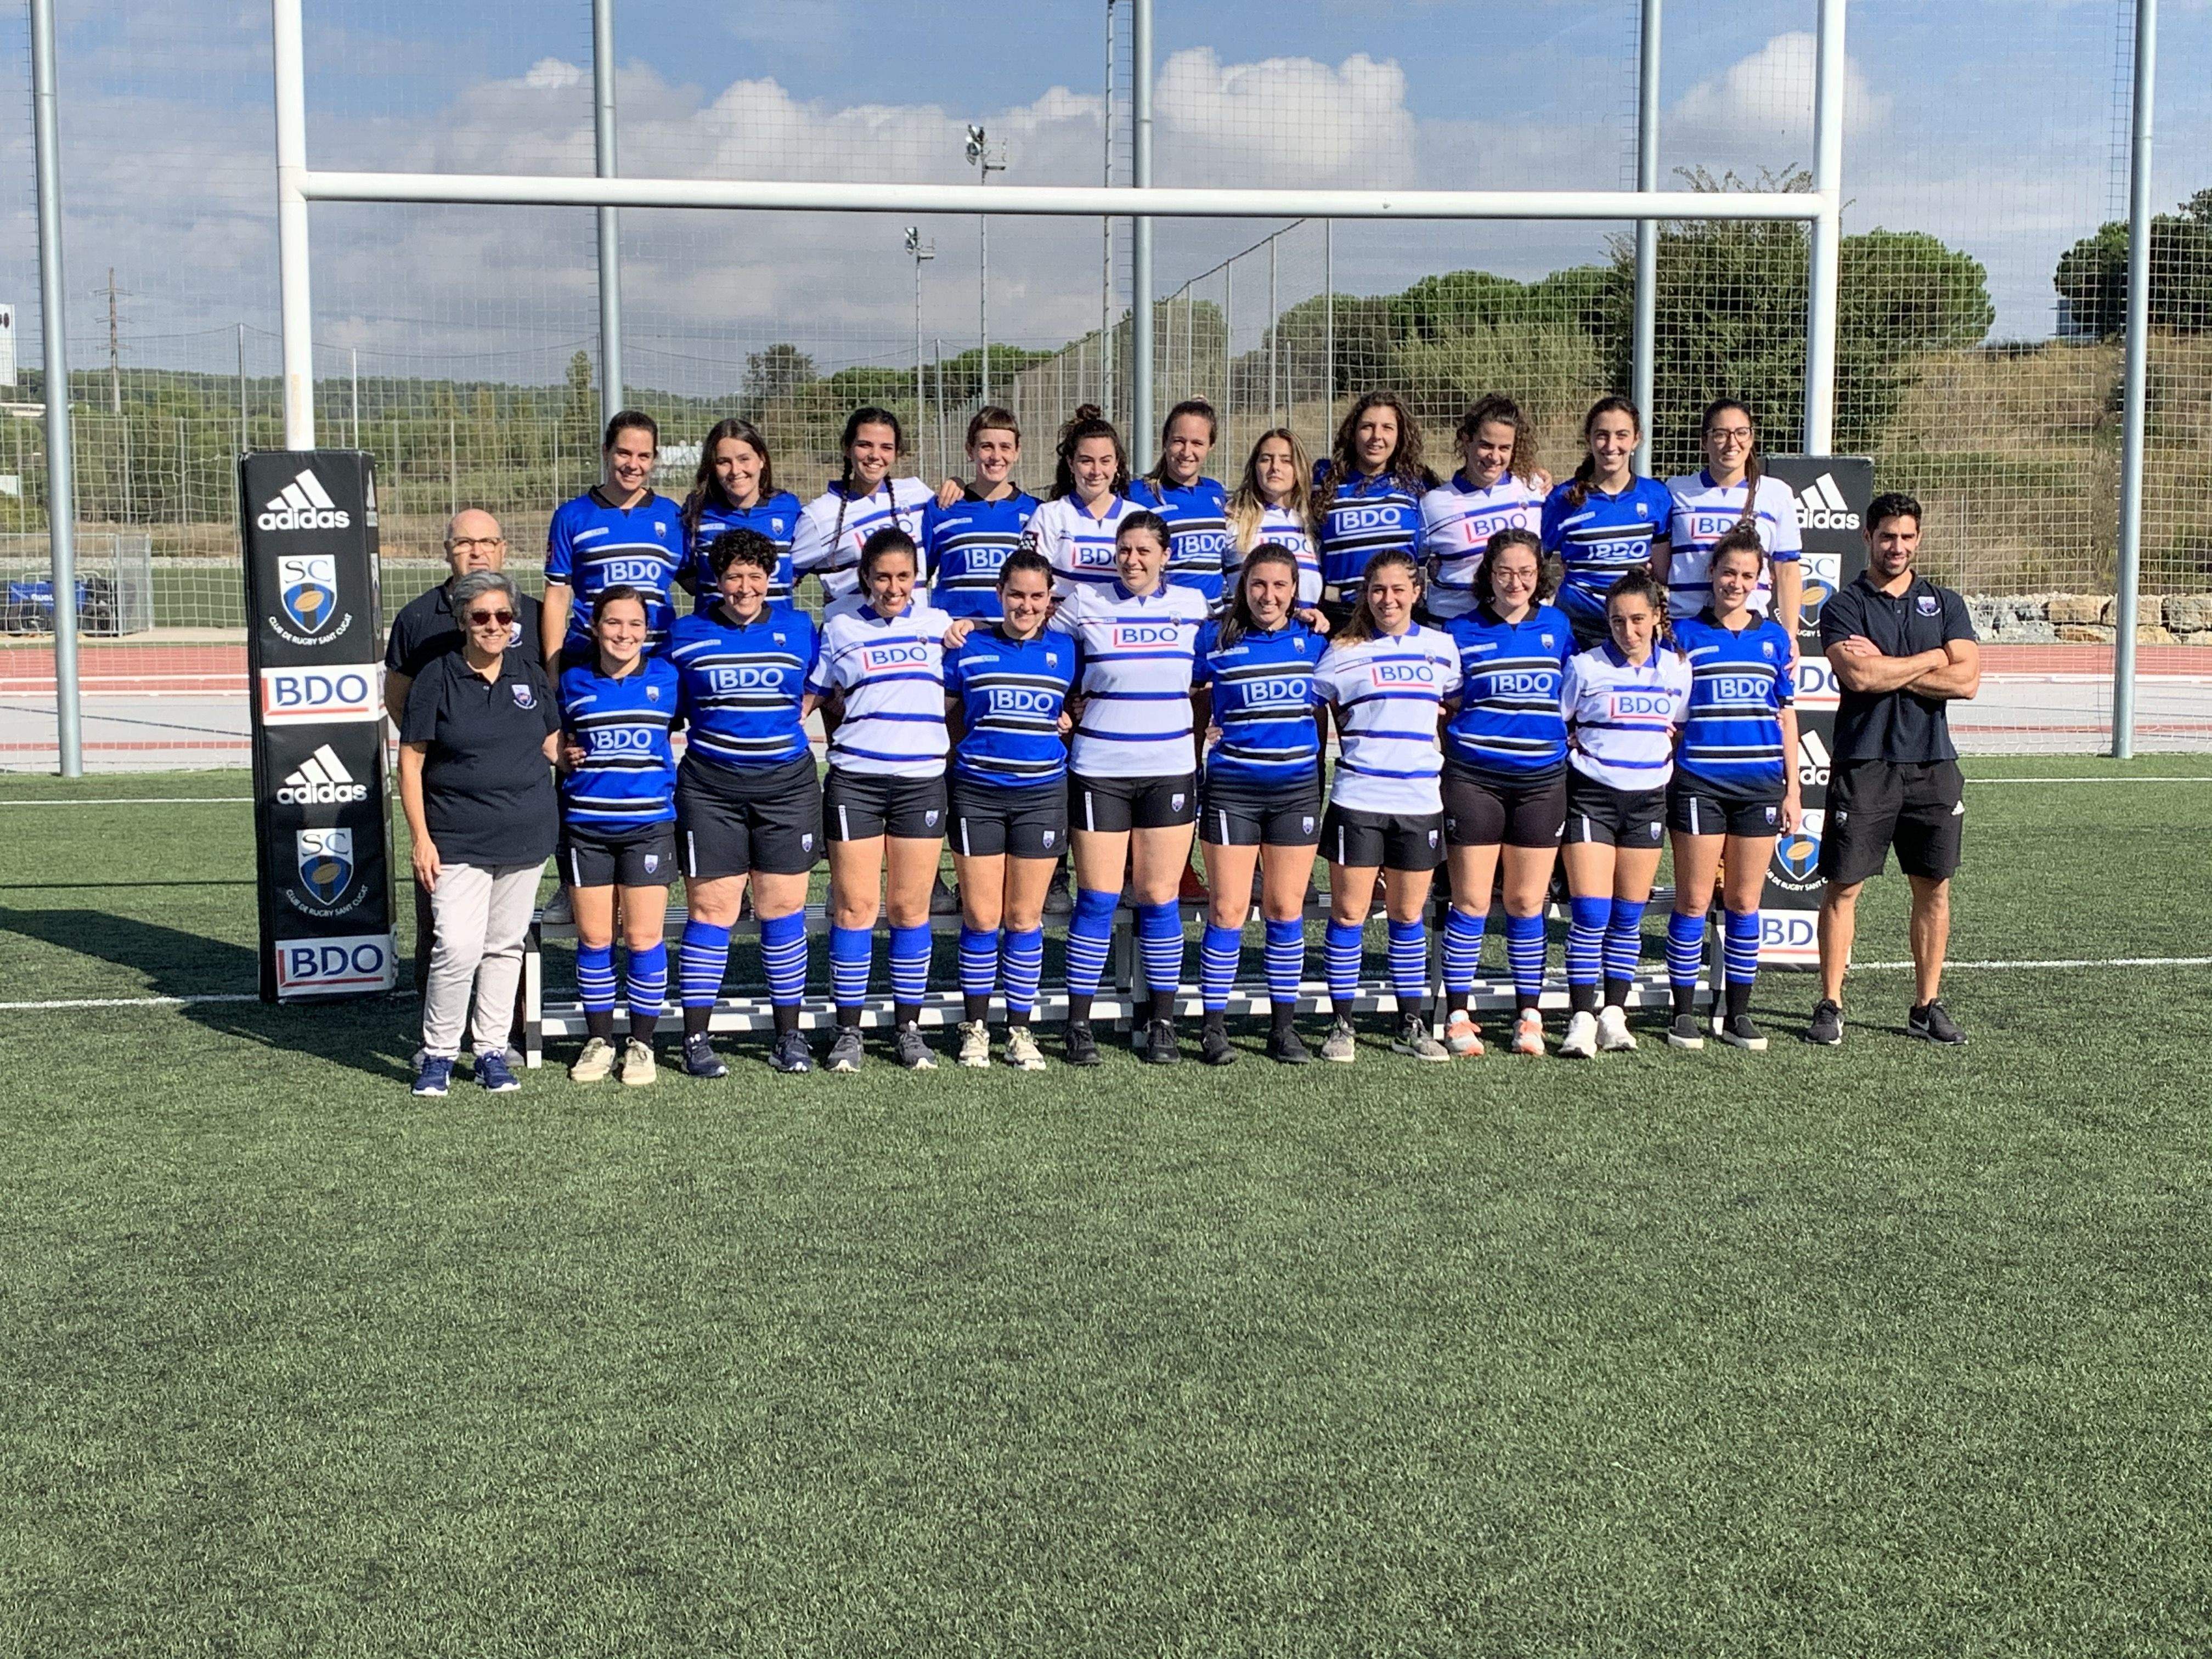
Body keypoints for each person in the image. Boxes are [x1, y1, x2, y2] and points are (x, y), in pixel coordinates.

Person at [1810, 492, 1982, 1047]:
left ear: (1919, 539)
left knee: (1934, 888)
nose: (1897, 547)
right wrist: (1934, 658)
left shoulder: (1946, 603)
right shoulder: (1843, 605)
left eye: (1908, 537)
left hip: (1933, 764)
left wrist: (1891, 664)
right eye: (1888, 537)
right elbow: (1858, 680)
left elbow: (1968, 682)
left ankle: (1926, 1006)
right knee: (1844, 887)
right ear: (1867, 537)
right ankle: (1831, 1003)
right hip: (1866, 763)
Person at [1054, 510, 1210, 1066]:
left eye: (1145, 550)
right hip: (1099, 767)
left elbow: (1234, 646)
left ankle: (1161, 1022)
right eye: (1125, 550)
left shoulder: (1192, 606)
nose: (1133, 560)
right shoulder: (1083, 604)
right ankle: (1079, 1025)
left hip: (1169, 767)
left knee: (1158, 897)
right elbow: (1037, 649)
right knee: (1096, 898)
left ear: (1165, 555)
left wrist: (1310, 617)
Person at [664, 529, 822, 1078]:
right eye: (734, 576)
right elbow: (666, 705)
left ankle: (790, 1037)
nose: (745, 586)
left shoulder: (801, 628)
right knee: (712, 912)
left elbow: (821, 685)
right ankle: (695, 1039)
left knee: (782, 910)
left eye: (756, 575)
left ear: (771, 579)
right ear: (717, 580)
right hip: (711, 790)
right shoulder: (685, 635)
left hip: (787, 788)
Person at [398, 569, 560, 1097]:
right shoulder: (436, 678)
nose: (494, 626)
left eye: (504, 617)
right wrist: (421, 838)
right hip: (457, 839)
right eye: (482, 617)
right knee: (457, 946)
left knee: (504, 945)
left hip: (527, 834)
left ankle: (491, 1049)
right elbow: (411, 762)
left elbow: (551, 742)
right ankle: (439, 1052)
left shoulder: (530, 674)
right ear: (464, 621)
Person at [803, 527, 953, 1071]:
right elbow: (813, 695)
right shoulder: (840, 627)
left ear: (919, 578)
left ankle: (908, 1028)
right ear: (865, 577)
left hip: (921, 783)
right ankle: (849, 1030)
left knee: (910, 909)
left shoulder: (939, 626)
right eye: (883, 576)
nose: (894, 588)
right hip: (857, 782)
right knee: (855, 909)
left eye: (904, 577)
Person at [1312, 550, 1460, 1064]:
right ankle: (1342, 1023)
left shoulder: (1443, 649)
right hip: (1359, 798)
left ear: (1417, 592)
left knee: (1406, 914)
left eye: (1399, 589)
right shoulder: (1340, 652)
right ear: (1366, 595)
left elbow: (1453, 710)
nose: (1388, 600)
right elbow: (1318, 707)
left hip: (1420, 800)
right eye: (1378, 590)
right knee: (1350, 913)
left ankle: (1410, 1023)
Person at [1438, 529, 1574, 1058]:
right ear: (1487, 575)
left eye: (1525, 572)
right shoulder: (1460, 630)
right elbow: (1447, 700)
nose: (1516, 582)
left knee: (1525, 901)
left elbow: (1573, 693)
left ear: (1539, 576)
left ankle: (1529, 1014)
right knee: (1471, 900)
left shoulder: (1558, 626)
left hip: (1542, 781)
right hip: (1475, 779)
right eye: (1504, 572)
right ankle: (1459, 1014)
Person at [1665, 526, 1801, 1052]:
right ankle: (1683, 1013)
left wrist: (1793, 790)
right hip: (1700, 783)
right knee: (1695, 899)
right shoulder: (1684, 635)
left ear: (1760, 581)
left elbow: (1786, 717)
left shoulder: (1774, 639)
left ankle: (1738, 1014)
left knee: (1745, 901)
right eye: (1728, 573)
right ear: (1711, 574)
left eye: (1747, 575)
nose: (1736, 583)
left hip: (1760, 786)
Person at [941, 550, 1079, 1070]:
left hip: (1042, 796)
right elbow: (953, 716)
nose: (1026, 605)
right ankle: (975, 1028)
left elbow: (1078, 704)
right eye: (1016, 595)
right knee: (981, 916)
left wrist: (1068, 719)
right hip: (977, 793)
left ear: (1050, 601)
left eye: (1036, 596)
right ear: (1000, 596)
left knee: (1024, 918)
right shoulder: (968, 645)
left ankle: (1021, 1030)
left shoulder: (1066, 650)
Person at [1193, 545, 1325, 1066]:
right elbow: (1180, 686)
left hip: (1295, 790)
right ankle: (1214, 1026)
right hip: (1233, 789)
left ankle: (1283, 1028)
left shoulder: (1315, 640)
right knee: (1227, 909)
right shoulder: (1214, 638)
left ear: (1295, 591)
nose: (1268, 596)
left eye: (1280, 586)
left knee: (1285, 909)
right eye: (1258, 585)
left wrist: (1324, 621)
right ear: (1243, 587)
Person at [1555, 568, 1691, 1058]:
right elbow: (1561, 723)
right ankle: (1580, 1017)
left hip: (1647, 799)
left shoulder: (1678, 668)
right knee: (1591, 913)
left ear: (1657, 618)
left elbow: (1676, 724)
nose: (1628, 631)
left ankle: (1615, 1013)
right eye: (1617, 621)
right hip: (1592, 795)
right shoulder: (1585, 666)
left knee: (1628, 917)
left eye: (1638, 620)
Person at [555, 586, 680, 1086]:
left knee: (644, 937)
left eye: (634, 625)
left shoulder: (669, 679)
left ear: (647, 631)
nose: (624, 634)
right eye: (614, 623)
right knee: (595, 938)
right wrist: (561, 753)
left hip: (649, 825)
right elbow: (556, 740)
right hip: (586, 827)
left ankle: (643, 1044)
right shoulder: (572, 681)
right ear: (595, 628)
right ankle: (600, 1040)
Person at [541, 410, 686, 661]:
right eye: (624, 453)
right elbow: (557, 596)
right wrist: (553, 670)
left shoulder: (671, 515)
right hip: (589, 659)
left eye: (644, 456)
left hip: (657, 662)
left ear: (654, 459)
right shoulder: (572, 515)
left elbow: (701, 582)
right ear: (606, 451)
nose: (633, 465)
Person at [383, 508, 543, 724]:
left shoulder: (536, 615)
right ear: (447, 551)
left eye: (488, 542)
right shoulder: (415, 618)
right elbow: (397, 701)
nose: (477, 552)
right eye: (464, 543)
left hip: (522, 755)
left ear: (503, 550)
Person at [1542, 397, 1677, 651]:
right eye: (1602, 435)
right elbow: (1536, 561)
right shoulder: (1562, 499)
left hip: (1633, 628)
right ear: (1589, 438)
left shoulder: (1656, 496)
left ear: (1636, 439)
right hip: (1578, 627)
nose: (1611, 445)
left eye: (1621, 435)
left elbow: (1662, 573)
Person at [1663, 398, 1803, 642]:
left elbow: (1787, 570)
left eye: (1741, 433)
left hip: (1750, 631)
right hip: (1686, 627)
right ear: (1704, 441)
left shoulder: (1776, 494)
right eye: (1720, 434)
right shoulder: (1675, 491)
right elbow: (1662, 565)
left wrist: (1791, 635)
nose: (1732, 443)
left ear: (1751, 438)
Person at [1417, 393, 1546, 624]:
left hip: (1522, 627)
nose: (1494, 457)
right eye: (1486, 445)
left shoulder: (1534, 489)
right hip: (1454, 626)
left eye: (1504, 448)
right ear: (1467, 441)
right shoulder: (1432, 504)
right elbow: (1411, 569)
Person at [1312, 391, 1435, 625]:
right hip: (1341, 616)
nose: (1376, 437)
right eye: (1367, 427)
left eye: (1387, 428)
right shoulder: (1325, 479)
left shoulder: (1418, 483)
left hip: (1399, 614)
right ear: (1353, 432)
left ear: (1400, 435)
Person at [792, 407, 929, 609]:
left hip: (913, 634)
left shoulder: (917, 494)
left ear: (896, 453)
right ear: (847, 448)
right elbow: (784, 579)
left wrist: (957, 484)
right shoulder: (819, 515)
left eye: (886, 447)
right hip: (853, 634)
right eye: (865, 445)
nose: (875, 455)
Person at [924, 406, 1041, 622]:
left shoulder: (1037, 511)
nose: (996, 457)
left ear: (1017, 451)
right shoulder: (941, 508)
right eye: (986, 447)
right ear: (970, 450)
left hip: (1014, 637)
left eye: (1005, 447)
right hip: (957, 637)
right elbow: (919, 578)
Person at [680, 417, 803, 611]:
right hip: (717, 633)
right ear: (712, 466)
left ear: (761, 459)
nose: (736, 471)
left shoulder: (789, 508)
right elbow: (683, 569)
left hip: (777, 634)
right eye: (724, 462)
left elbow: (803, 562)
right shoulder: (697, 511)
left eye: (744, 459)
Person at [1129, 399, 1232, 614]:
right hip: (1168, 616)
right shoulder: (1138, 494)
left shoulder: (1217, 492)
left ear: (1211, 446)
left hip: (1215, 619)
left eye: (1197, 443)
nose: (1187, 451)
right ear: (1165, 441)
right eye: (1178, 441)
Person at [1027, 404, 1139, 600]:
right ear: (1071, 463)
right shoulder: (1049, 515)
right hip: (1062, 625)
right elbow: (1029, 577)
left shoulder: (1137, 518)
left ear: (1116, 464)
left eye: (1105, 461)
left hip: (1117, 626)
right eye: (1086, 461)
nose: (1096, 471)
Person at [1224, 428, 1323, 609]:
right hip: (1247, 633)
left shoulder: (1314, 522)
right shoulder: (1233, 518)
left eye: (1286, 460)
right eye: (1266, 459)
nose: (1275, 467)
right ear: (1255, 467)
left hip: (1301, 632)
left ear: (1299, 468)